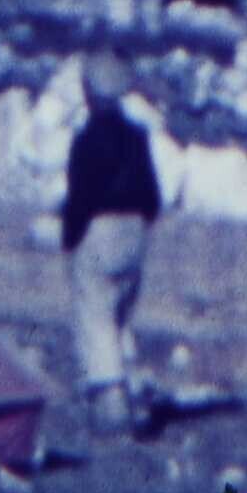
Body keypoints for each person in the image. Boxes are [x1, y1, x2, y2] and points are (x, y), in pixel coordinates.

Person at [54, 58, 166, 444]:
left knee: (96, 315)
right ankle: (136, 392)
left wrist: (70, 236)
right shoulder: (138, 137)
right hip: (134, 229)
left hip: (99, 228)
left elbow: (79, 197)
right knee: (120, 316)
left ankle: (112, 407)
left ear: (88, 93)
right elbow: (153, 196)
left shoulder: (86, 140)